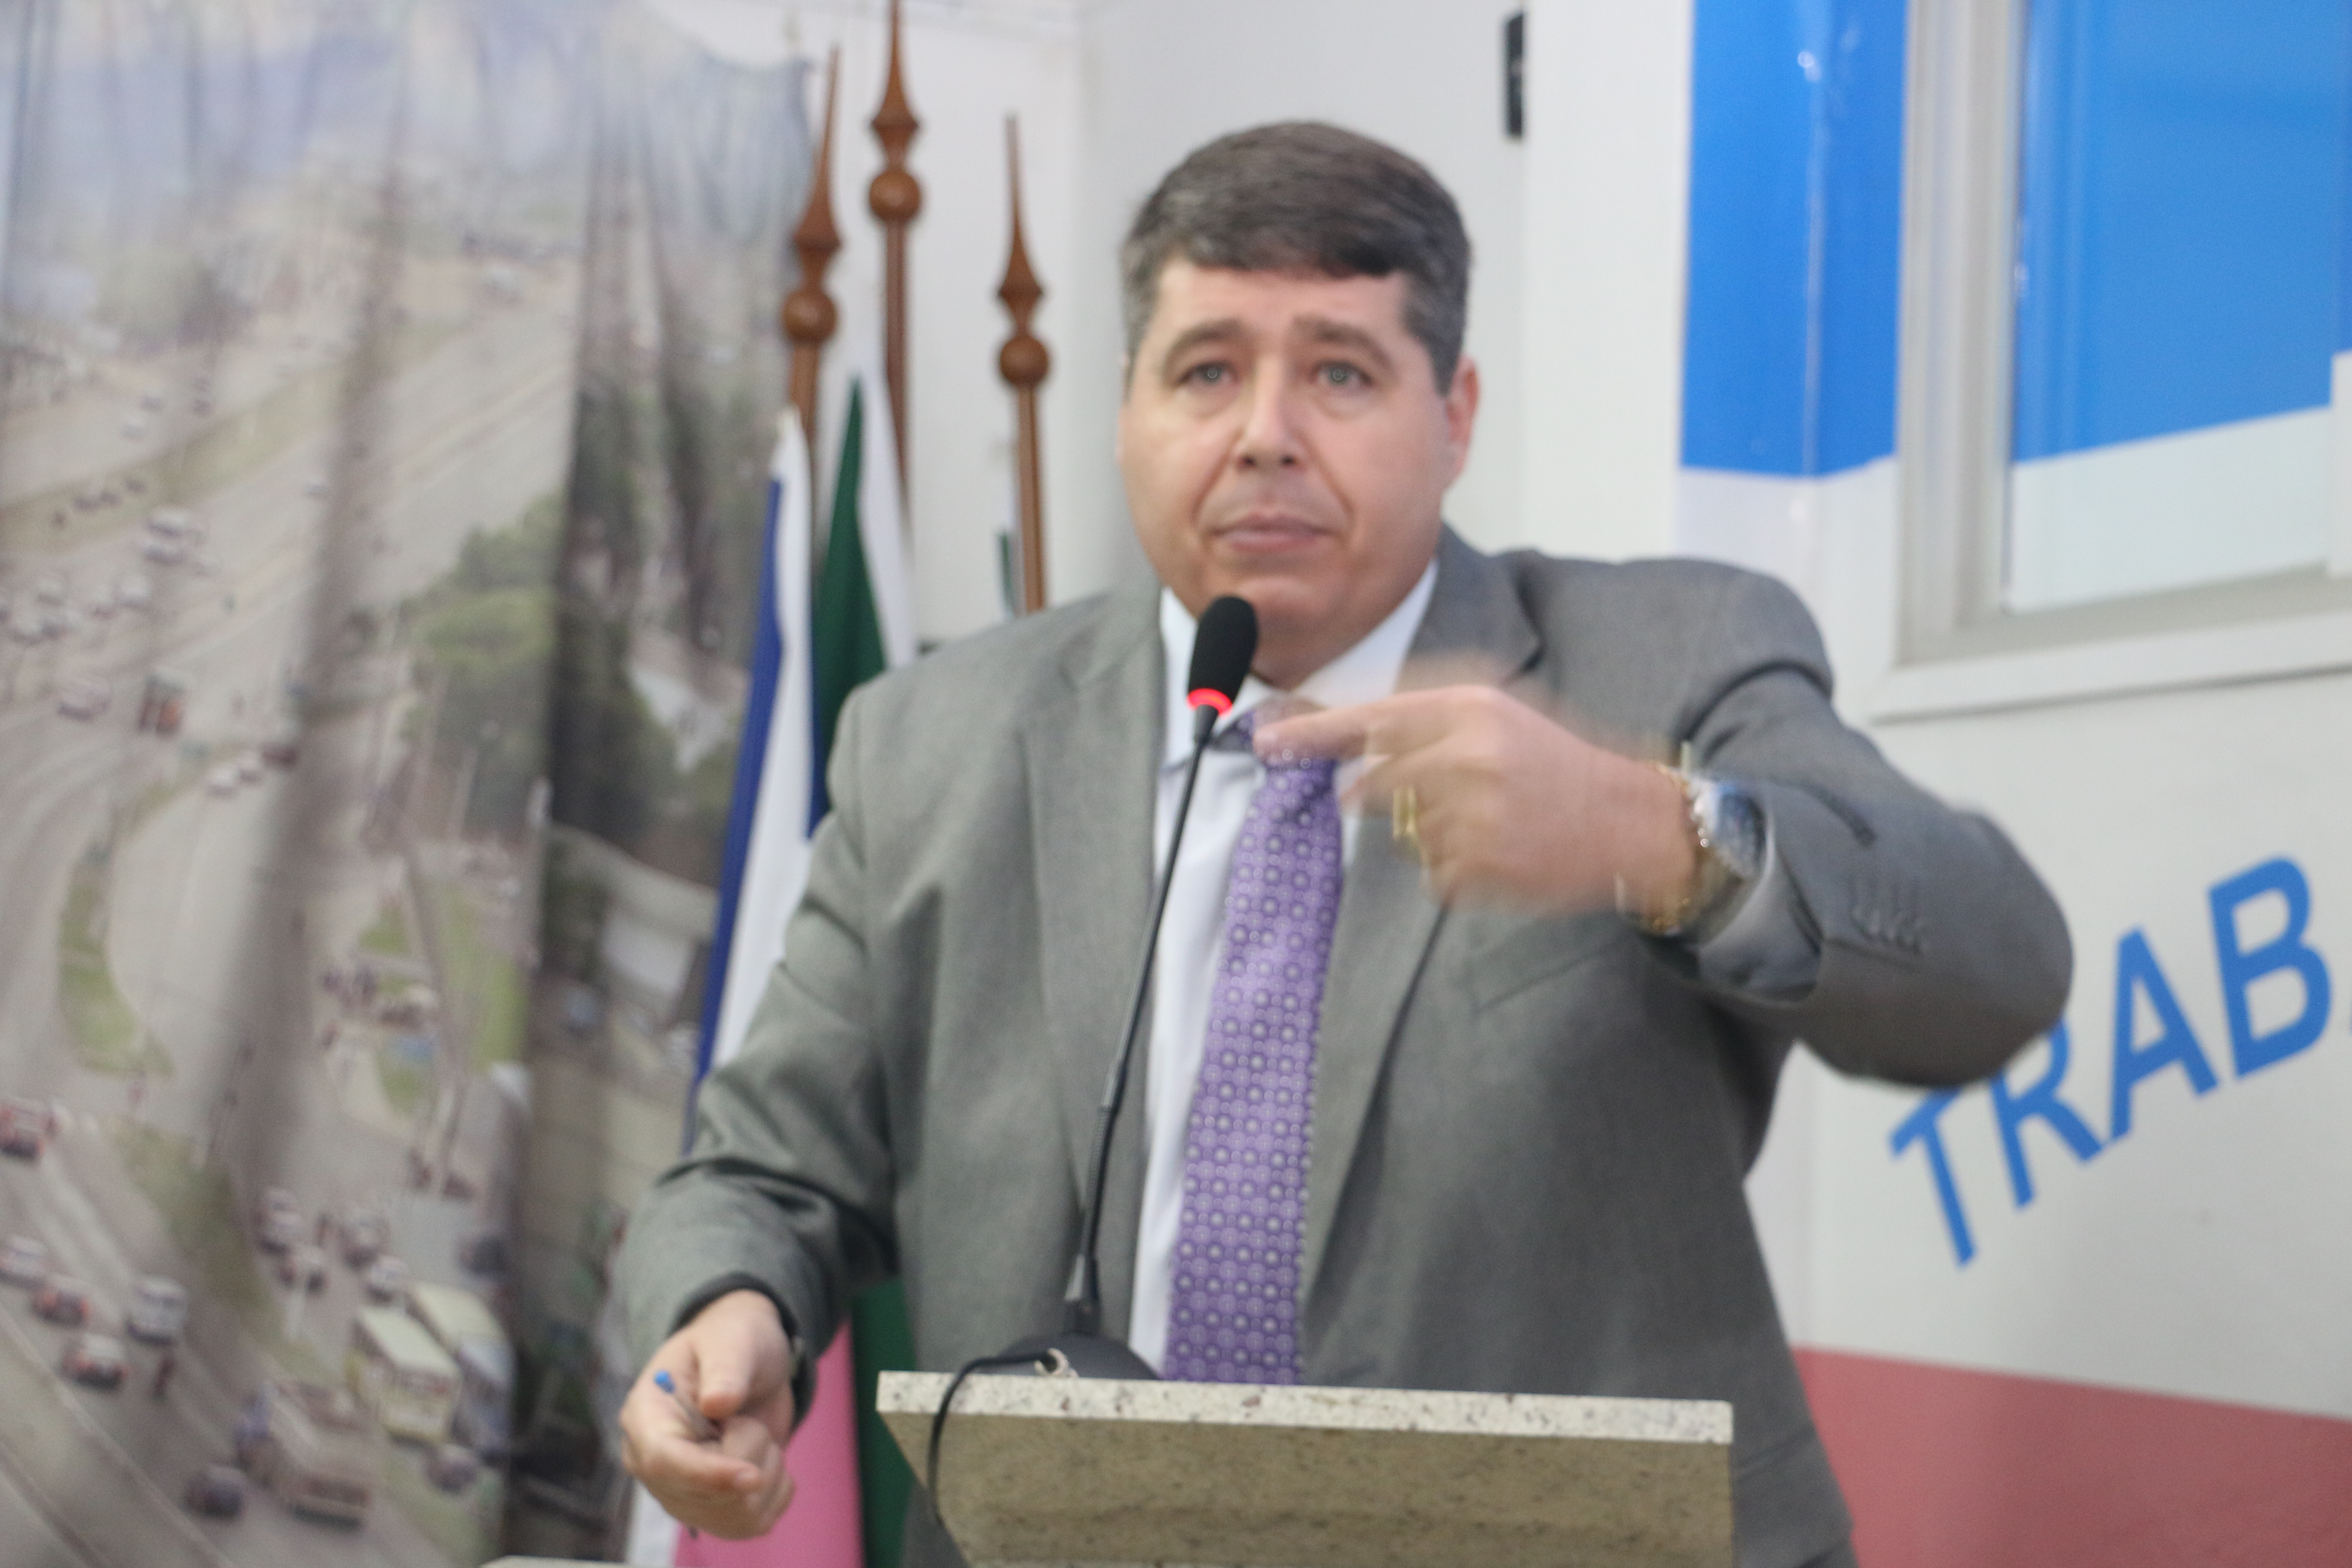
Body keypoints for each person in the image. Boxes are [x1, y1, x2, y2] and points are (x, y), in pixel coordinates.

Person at [616, 123, 2070, 1568]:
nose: (1265, 434)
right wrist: (730, 1309)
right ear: (1124, 411)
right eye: (1206, 371)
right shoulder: (931, 739)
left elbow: (1996, 965)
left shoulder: (1671, 660)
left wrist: (1655, 830)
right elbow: (768, 1172)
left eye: (1339, 372)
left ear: (1457, 414)